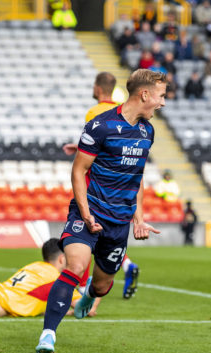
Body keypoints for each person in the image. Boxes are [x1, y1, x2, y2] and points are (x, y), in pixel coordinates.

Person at [36, 69, 165, 353]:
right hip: (89, 213)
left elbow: (138, 177)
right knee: (75, 266)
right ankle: (48, 335)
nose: (163, 102)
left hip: (119, 223)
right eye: (161, 96)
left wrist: (139, 218)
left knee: (102, 285)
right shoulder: (100, 125)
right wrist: (84, 211)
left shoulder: (148, 131)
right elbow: (79, 170)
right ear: (145, 94)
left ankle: (89, 298)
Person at [62, 72, 141, 300]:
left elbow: (93, 150)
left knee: (87, 238)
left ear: (98, 88)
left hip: (97, 185)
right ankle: (127, 266)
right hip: (121, 188)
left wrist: (79, 152)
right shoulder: (121, 111)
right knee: (108, 241)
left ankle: (81, 291)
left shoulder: (94, 112)